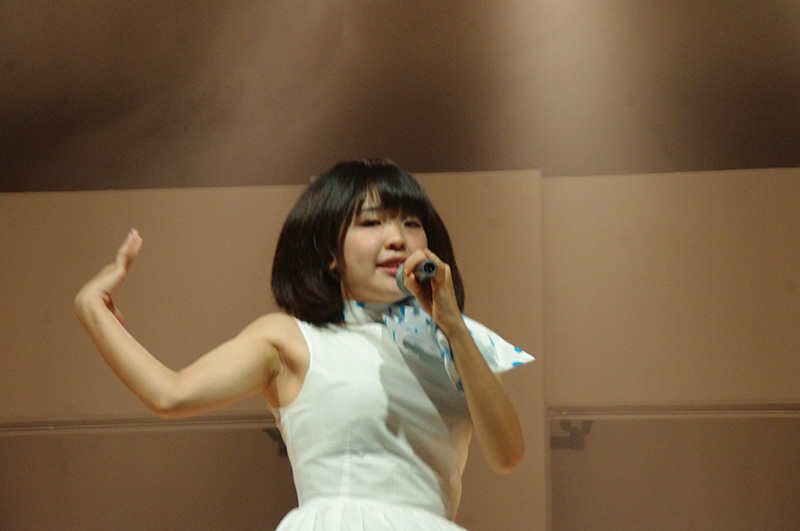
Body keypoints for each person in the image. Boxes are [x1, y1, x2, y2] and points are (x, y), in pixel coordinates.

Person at [74, 159, 533, 530]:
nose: (397, 238)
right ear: (330, 255)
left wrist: (452, 327)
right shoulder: (292, 338)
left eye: (411, 222)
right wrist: (92, 307)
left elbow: (507, 454)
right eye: (371, 222)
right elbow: (170, 393)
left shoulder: (458, 341)